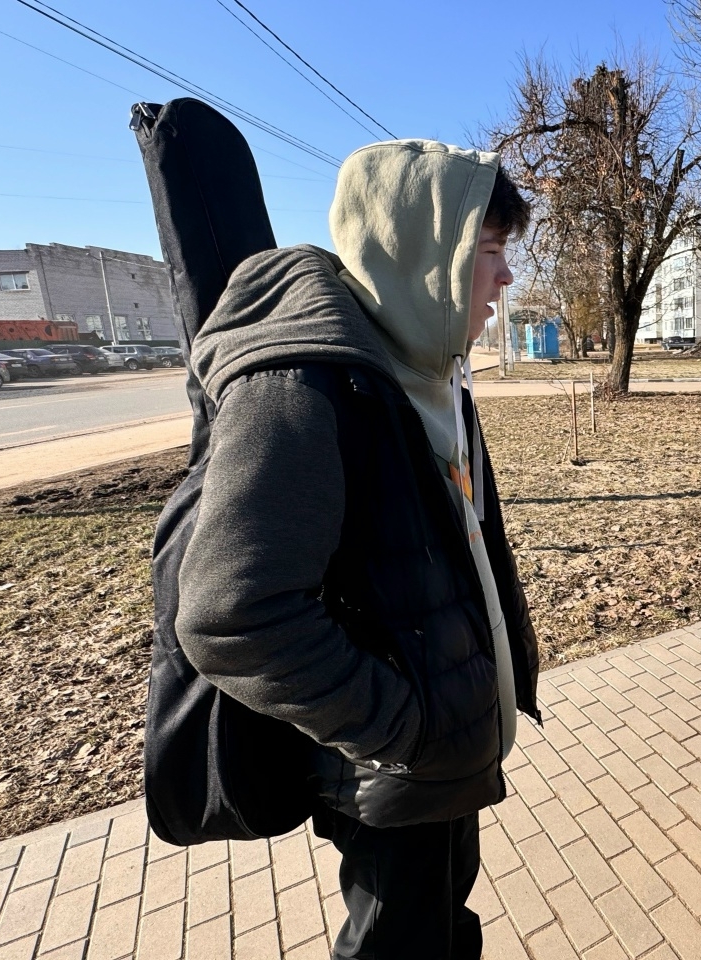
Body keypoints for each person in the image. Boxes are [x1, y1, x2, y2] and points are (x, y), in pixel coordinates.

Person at [174, 140, 539, 959]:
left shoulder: (424, 366)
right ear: (426, 256)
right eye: (489, 251)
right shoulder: (304, 385)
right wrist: (404, 730)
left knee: (444, 927)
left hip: (444, 750)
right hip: (397, 767)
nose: (506, 277)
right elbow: (232, 616)